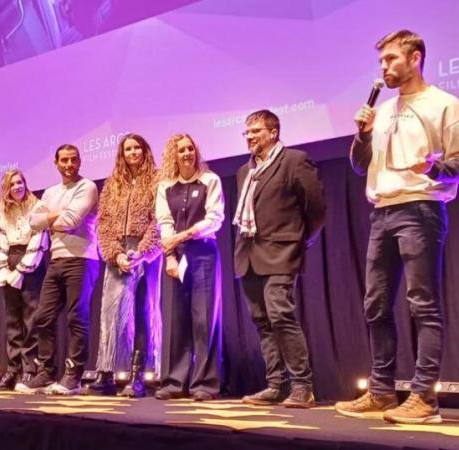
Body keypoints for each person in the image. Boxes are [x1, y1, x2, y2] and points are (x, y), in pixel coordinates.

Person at [335, 30, 459, 424]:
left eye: (390, 59)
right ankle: (382, 391)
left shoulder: (444, 105)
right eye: (381, 63)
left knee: (423, 304)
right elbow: (358, 166)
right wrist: (362, 134)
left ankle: (424, 398)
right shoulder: (382, 110)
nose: (384, 68)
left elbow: (457, 163)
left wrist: (433, 166)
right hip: (382, 210)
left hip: (420, 208)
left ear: (416, 58)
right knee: (375, 305)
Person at [233, 110, 326, 409]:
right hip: (248, 254)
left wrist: (299, 240)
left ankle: (303, 386)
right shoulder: (243, 172)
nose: (249, 137)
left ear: (273, 132)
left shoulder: (294, 160)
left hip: (282, 251)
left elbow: (316, 207)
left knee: (280, 315)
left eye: (256, 131)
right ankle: (276, 384)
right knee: (262, 321)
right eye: (246, 132)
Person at [83, 133, 162, 397]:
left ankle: (137, 377)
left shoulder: (157, 180)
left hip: (144, 253)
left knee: (141, 313)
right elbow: (103, 222)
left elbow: (160, 218)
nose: (133, 153)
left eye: (137, 147)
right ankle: (105, 375)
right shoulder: (112, 184)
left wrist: (142, 251)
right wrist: (115, 253)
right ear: (121, 153)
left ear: (145, 150)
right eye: (128, 149)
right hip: (117, 254)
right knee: (110, 315)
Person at [17, 144, 99, 395]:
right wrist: (55, 217)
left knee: (76, 317)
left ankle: (73, 375)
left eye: (73, 160)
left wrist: (50, 219)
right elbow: (33, 221)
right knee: (43, 316)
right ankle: (46, 372)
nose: (69, 164)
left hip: (82, 258)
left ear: (80, 162)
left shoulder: (87, 187)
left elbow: (71, 222)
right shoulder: (51, 192)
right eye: (64, 160)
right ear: (56, 163)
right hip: (56, 259)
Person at [154, 134, 225, 401]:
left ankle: (204, 383)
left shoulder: (210, 181)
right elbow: (164, 223)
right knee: (174, 319)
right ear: (173, 155)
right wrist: (170, 257)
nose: (187, 153)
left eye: (190, 148)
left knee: (204, 319)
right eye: (181, 150)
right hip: (174, 255)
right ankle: (174, 381)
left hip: (203, 253)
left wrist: (183, 236)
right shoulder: (165, 186)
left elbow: (214, 218)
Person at [0, 169, 49, 391]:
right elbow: (0, 237)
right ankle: (12, 370)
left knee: (30, 319)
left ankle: (29, 369)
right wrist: (4, 268)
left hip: (30, 262)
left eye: (20, 182)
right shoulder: (4, 211)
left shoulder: (38, 206)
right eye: (13, 184)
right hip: (10, 259)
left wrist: (23, 269)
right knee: (12, 320)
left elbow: (39, 239)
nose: (17, 186)